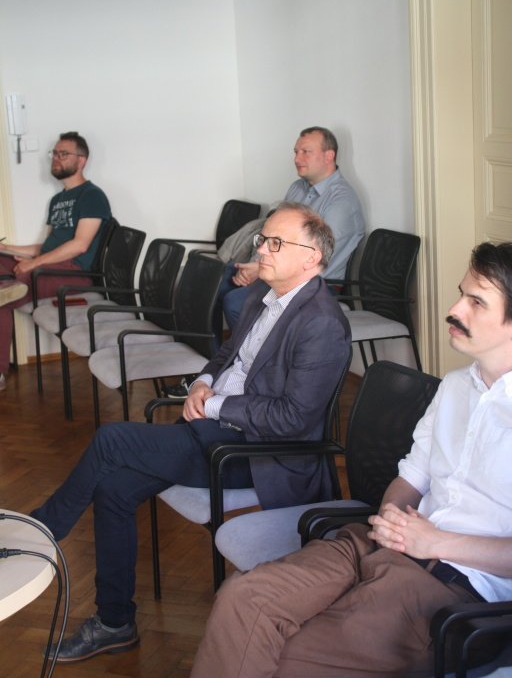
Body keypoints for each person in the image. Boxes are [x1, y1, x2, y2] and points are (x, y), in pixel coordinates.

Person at [30, 203, 351, 663]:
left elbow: (293, 419)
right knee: (115, 489)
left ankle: (40, 533)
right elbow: (227, 355)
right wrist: (202, 382)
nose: (262, 249)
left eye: (276, 242)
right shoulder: (264, 295)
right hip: (214, 431)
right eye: (263, 239)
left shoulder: (321, 322)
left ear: (311, 257)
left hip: (257, 455)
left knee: (112, 440)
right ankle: (115, 622)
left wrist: (214, 403)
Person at [190, 240, 512, 678]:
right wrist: (392, 516)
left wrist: (435, 543)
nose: (454, 309)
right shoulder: (455, 386)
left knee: (288, 658)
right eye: (461, 294)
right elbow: (412, 476)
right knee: (243, 598)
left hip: (454, 589)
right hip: (380, 544)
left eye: (476, 301)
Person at [222, 126, 365, 332]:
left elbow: (314, 258)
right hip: (279, 271)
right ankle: (219, 352)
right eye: (296, 152)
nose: (297, 159)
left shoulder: (341, 201)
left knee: (236, 303)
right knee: (221, 279)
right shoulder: (297, 188)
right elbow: (272, 236)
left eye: (306, 152)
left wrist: (261, 271)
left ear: (329, 155)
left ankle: (262, 352)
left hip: (314, 283)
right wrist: (255, 265)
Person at [0, 132, 111, 391]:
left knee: (4, 298)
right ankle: (9, 284)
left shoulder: (92, 196)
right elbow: (47, 247)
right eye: (55, 153)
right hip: (49, 266)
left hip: (73, 274)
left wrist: (32, 264)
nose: (56, 158)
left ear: (81, 160)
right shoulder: (58, 200)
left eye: (64, 154)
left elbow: (80, 245)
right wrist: (8, 248)